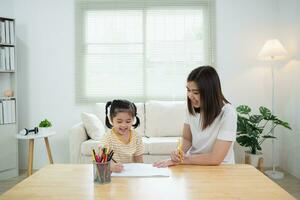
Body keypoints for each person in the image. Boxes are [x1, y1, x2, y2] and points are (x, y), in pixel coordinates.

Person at [154, 66, 237, 167]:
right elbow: (187, 139)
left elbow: (215, 158)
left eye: (195, 92)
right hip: (193, 164)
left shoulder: (228, 113)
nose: (190, 96)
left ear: (210, 92)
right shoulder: (192, 108)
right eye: (188, 90)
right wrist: (178, 153)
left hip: (220, 168)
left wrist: (182, 160)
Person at [100, 99, 144, 172]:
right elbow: (102, 158)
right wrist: (110, 166)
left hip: (130, 174)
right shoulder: (107, 137)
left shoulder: (136, 136)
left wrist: (142, 173)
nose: (123, 125)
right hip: (113, 174)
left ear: (133, 120)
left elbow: (139, 160)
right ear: (111, 120)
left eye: (128, 121)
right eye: (119, 121)